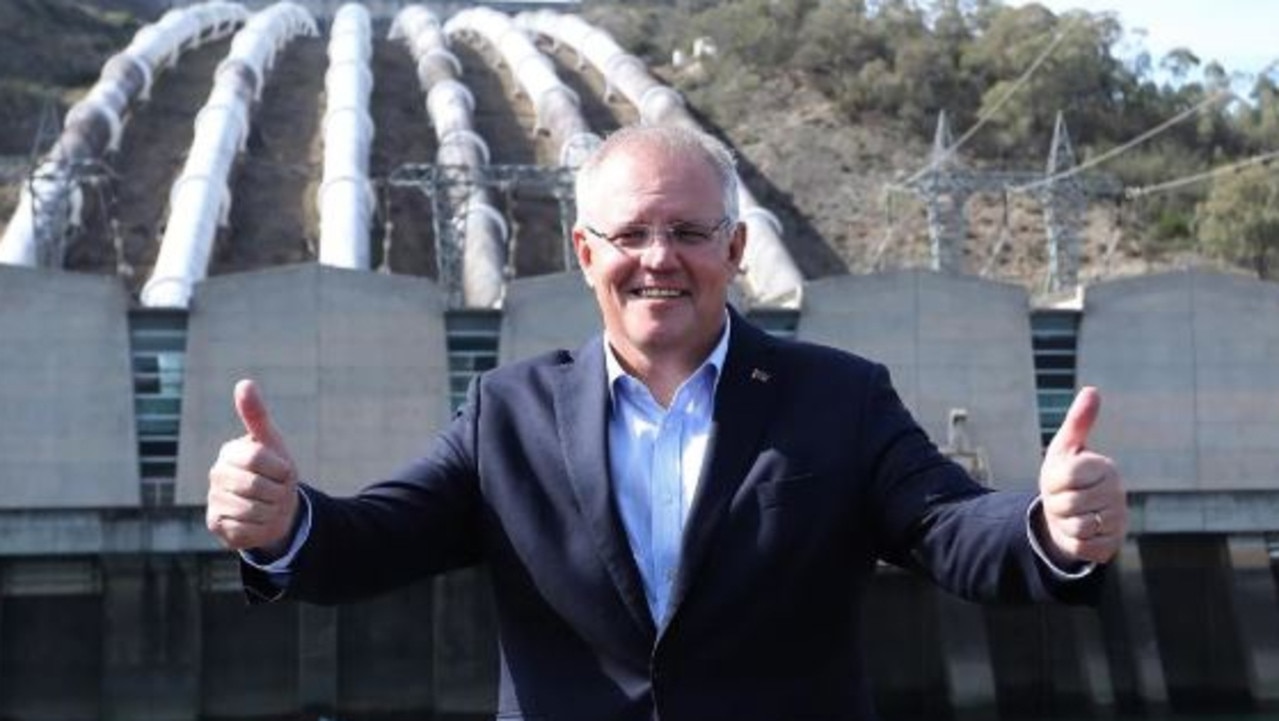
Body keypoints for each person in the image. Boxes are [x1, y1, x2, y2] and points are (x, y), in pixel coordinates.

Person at [207, 123, 1127, 721]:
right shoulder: (508, 414)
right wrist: (286, 524)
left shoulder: (838, 397)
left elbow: (947, 526)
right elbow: (372, 539)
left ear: (733, 248)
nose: (659, 259)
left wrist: (1049, 529)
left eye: (689, 232)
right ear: (584, 253)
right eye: (631, 235)